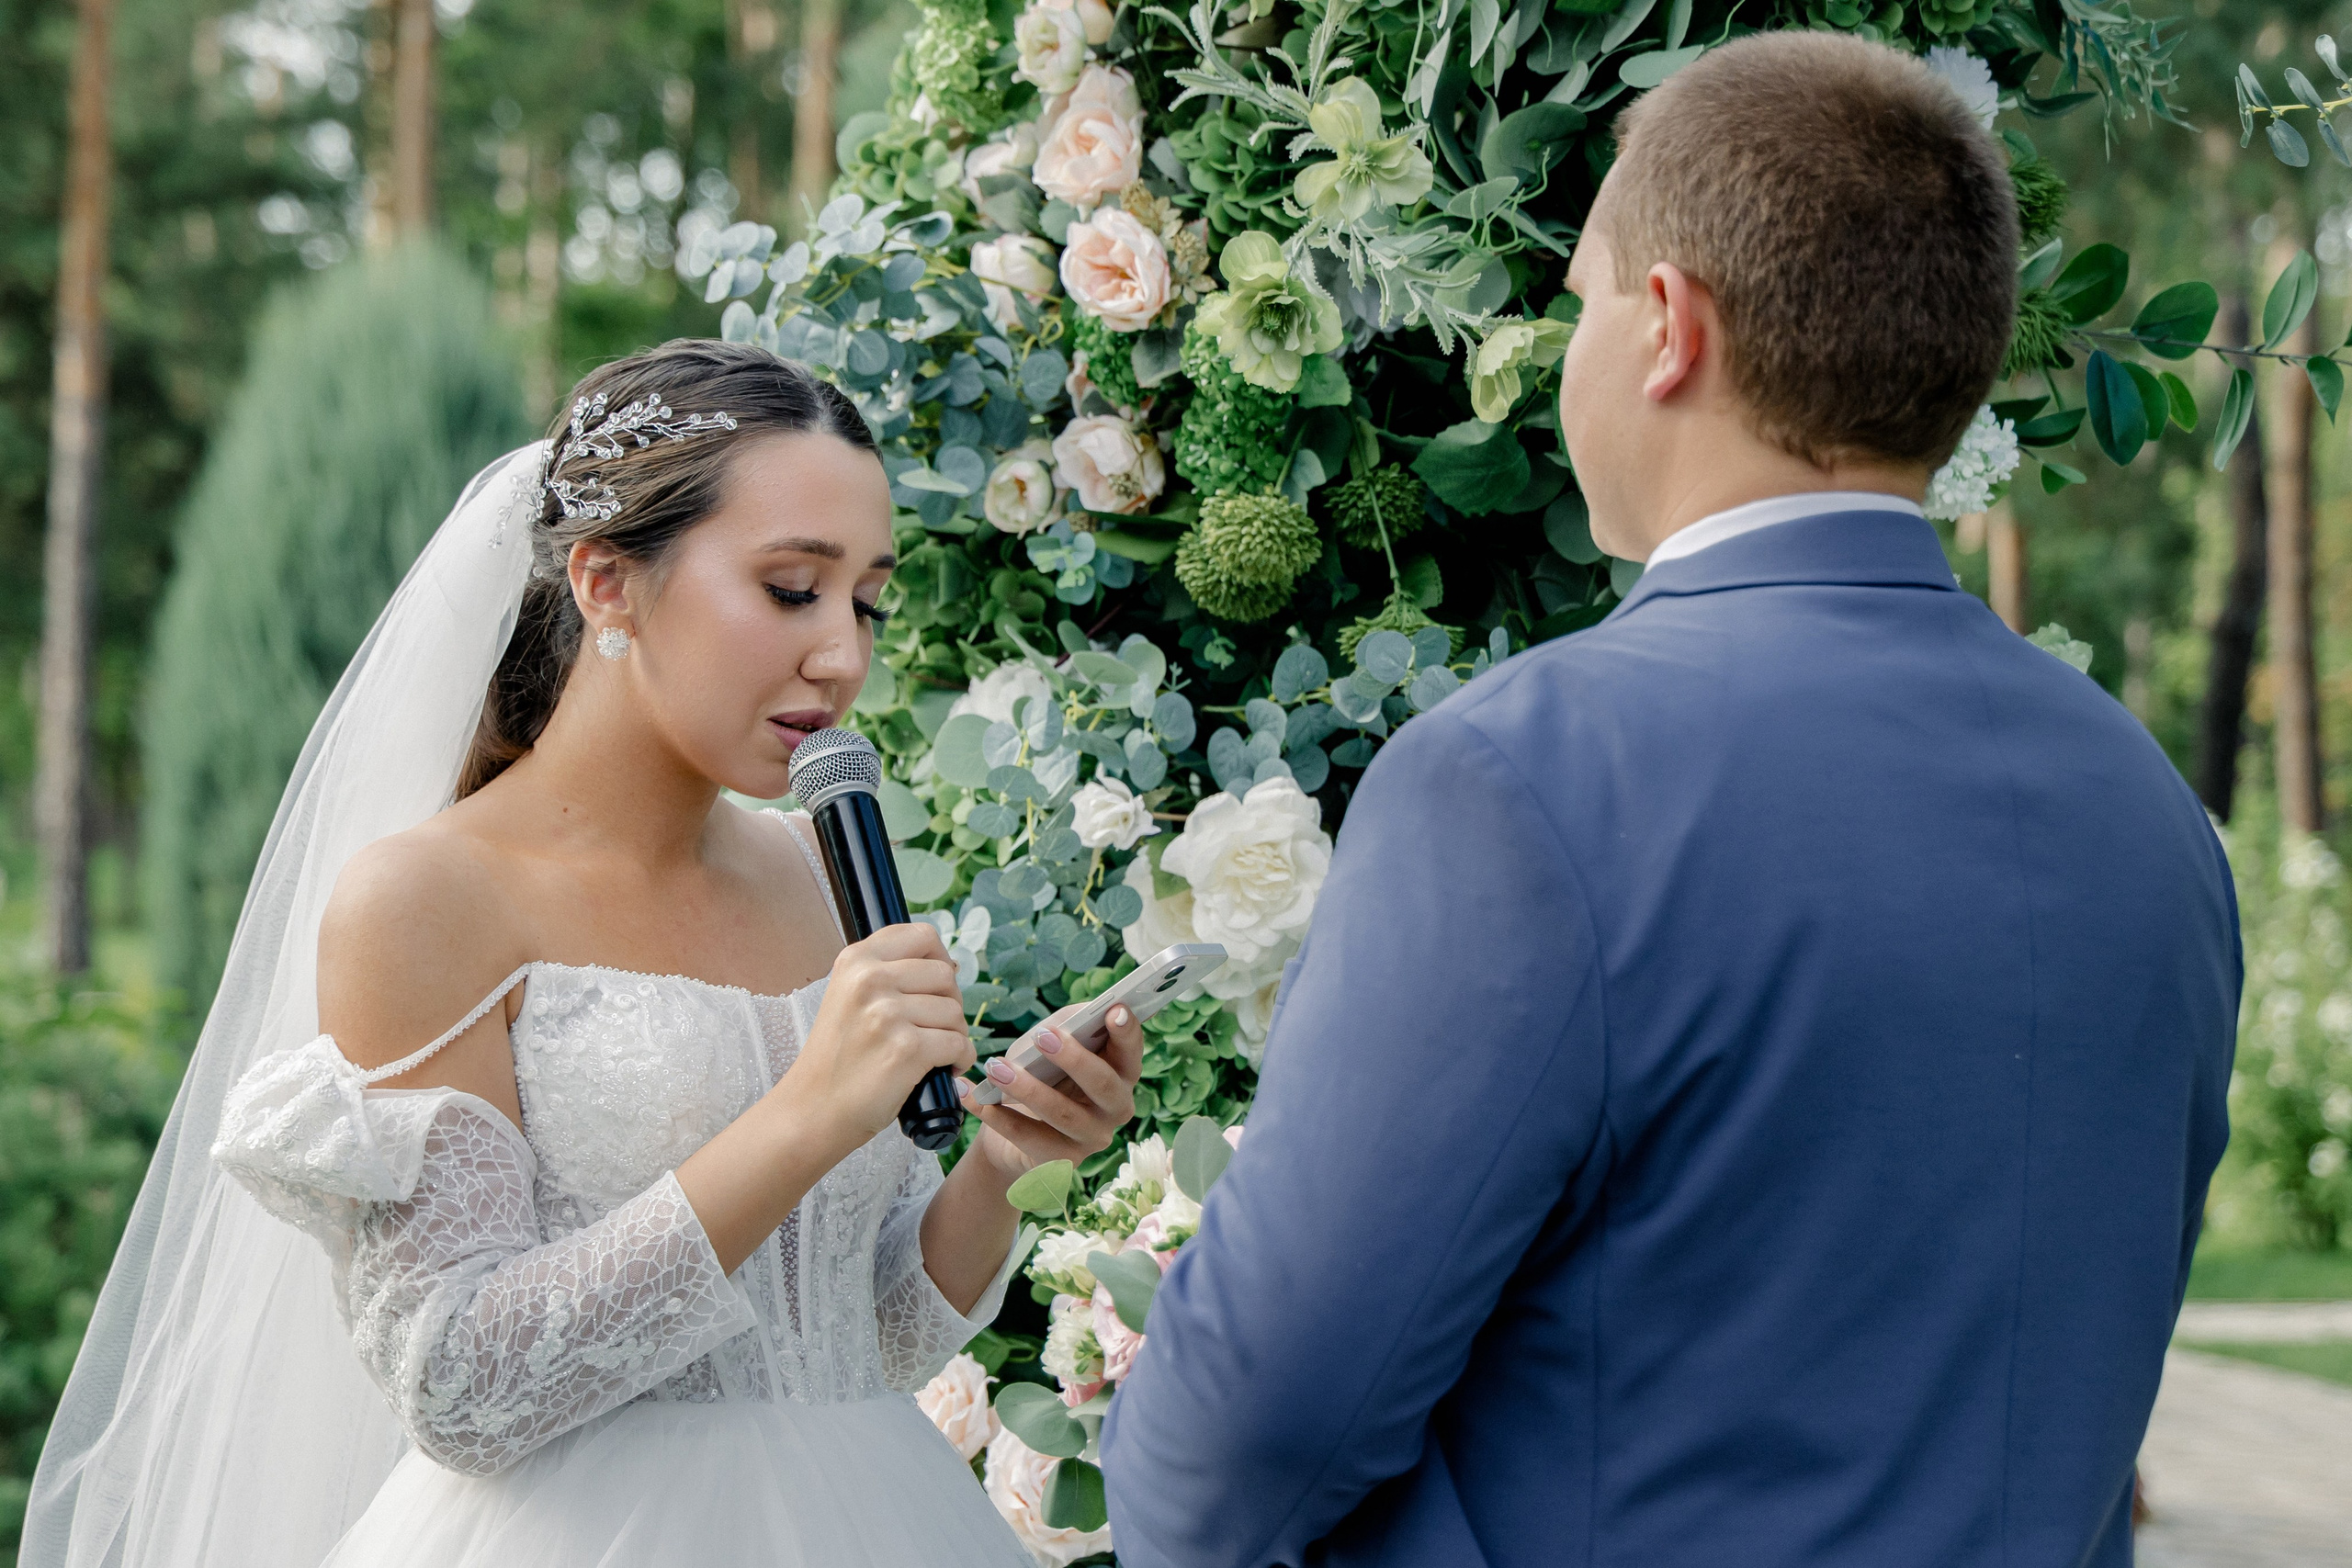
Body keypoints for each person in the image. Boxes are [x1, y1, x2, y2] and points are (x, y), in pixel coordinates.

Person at [1100, 32, 2236, 1568]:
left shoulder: (1520, 779)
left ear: (1666, 330)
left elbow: (1240, 1443)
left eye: (1577, 303)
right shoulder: (2150, 812)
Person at [26, 341, 1141, 1568]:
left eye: (866, 600)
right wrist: (808, 1114)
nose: (843, 654)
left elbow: (859, 1340)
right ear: (606, 585)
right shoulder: (430, 898)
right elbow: (457, 1387)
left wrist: (1000, 1163)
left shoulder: (821, 871)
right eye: (790, 589)